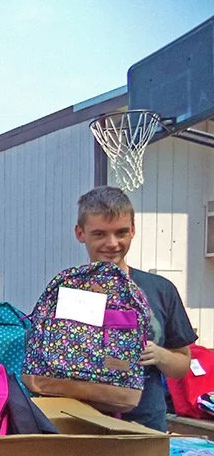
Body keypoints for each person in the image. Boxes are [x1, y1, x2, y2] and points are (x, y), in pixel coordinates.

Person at [74, 185, 196, 431]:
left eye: (121, 232)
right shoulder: (68, 291)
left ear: (133, 230)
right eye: (99, 234)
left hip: (146, 425)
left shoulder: (160, 289)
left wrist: (160, 355)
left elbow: (182, 364)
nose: (112, 243)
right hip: (82, 424)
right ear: (80, 233)